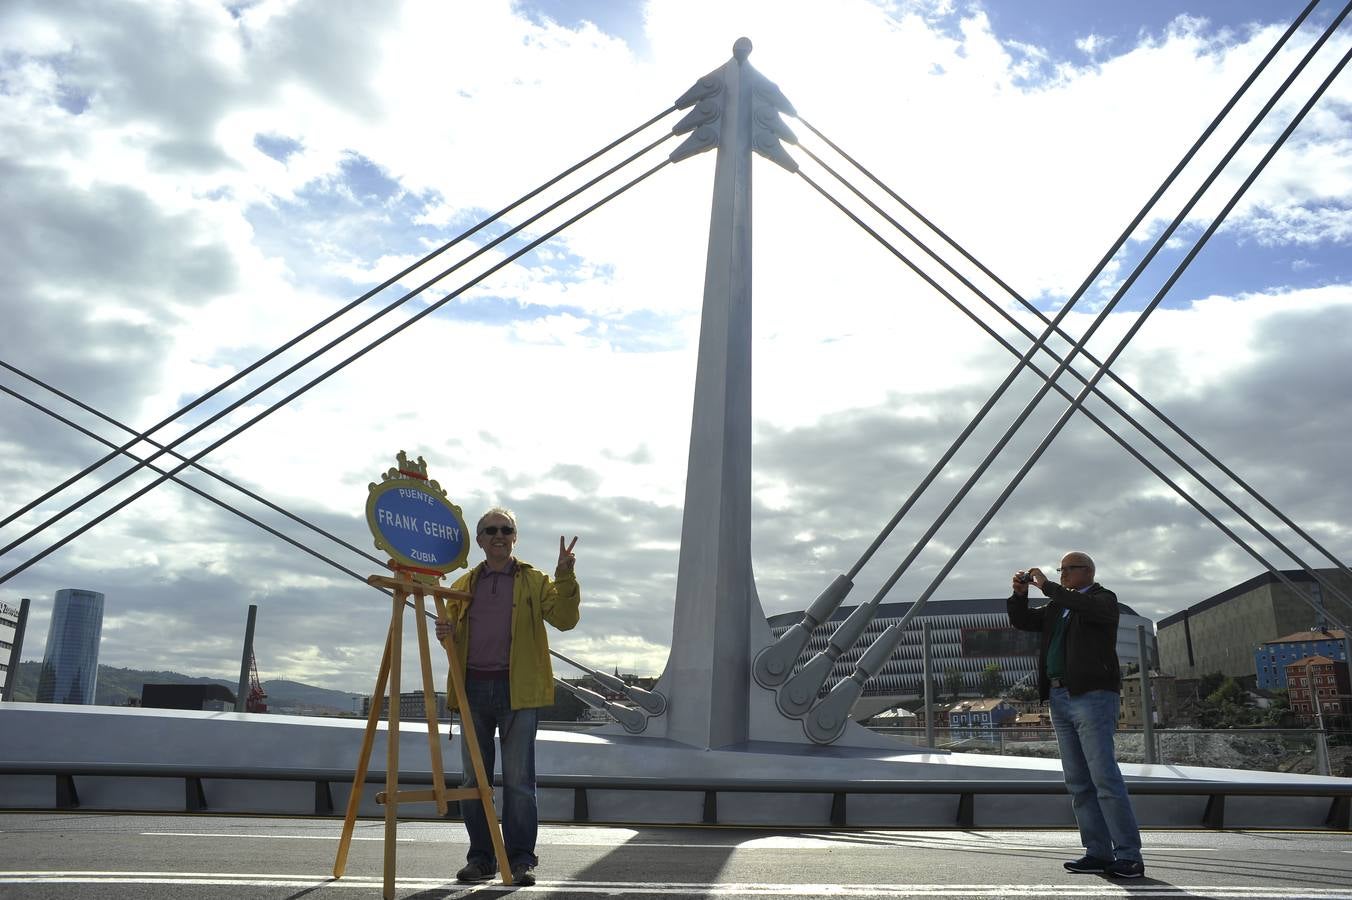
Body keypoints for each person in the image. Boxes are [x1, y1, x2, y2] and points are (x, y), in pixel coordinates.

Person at [435, 506, 580, 887]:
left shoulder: (535, 580)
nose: (498, 535)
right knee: (473, 779)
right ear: (479, 539)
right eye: (490, 530)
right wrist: (446, 631)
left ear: (515, 537)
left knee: (518, 780)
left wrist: (565, 574)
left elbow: (565, 619)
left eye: (506, 529)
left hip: (520, 691)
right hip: (471, 690)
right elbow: (455, 638)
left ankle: (519, 860)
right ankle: (481, 858)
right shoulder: (462, 585)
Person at [1008, 552, 1144, 879]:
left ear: (1089, 572)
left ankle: (1129, 856)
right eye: (1061, 570)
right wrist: (1019, 595)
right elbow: (1024, 622)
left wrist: (1047, 585)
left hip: (1092, 695)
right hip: (1059, 695)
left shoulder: (1102, 599)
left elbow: (1086, 607)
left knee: (1104, 777)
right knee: (1078, 781)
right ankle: (1098, 851)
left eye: (1070, 569)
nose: (1064, 574)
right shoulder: (1058, 607)